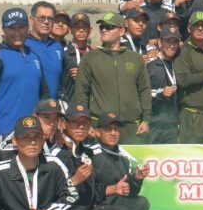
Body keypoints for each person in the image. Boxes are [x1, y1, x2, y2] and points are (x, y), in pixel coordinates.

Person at [55, 105, 127, 210]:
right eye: (75, 122)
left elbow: (93, 189)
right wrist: (74, 181)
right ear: (65, 124)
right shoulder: (57, 154)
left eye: (85, 123)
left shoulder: (87, 153)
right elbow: (49, 195)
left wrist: (115, 189)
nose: (81, 127)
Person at [75, 12, 151, 144]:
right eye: (102, 27)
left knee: (132, 164)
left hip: (132, 126)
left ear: (121, 31)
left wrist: (146, 119)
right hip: (101, 127)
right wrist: (86, 122)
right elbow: (81, 93)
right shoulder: (90, 58)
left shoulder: (135, 59)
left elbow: (144, 90)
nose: (104, 29)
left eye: (109, 27)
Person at [0, 8, 48, 140]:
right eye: (11, 28)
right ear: (3, 30)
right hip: (2, 132)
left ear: (28, 28)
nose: (17, 32)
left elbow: (44, 95)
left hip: (31, 132)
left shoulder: (35, 57)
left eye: (21, 27)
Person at [88, 113, 150, 210]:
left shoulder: (124, 157)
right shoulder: (90, 154)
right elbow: (86, 190)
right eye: (108, 129)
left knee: (141, 204)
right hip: (93, 206)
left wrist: (137, 178)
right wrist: (112, 190)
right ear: (97, 132)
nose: (113, 133)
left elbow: (130, 193)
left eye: (116, 129)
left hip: (112, 203)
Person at [174, 11, 203, 144]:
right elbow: (182, 80)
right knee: (192, 160)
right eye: (196, 25)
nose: (200, 28)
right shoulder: (183, 51)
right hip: (192, 115)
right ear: (189, 28)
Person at [147, 19, 181, 144]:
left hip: (172, 124)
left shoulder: (179, 63)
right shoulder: (150, 63)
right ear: (160, 42)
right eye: (168, 41)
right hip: (153, 124)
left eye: (175, 42)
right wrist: (161, 94)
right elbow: (140, 94)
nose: (172, 45)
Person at [21, 1, 64, 100]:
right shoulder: (22, 44)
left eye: (50, 18)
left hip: (50, 111)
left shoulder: (57, 47)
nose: (46, 22)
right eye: (41, 18)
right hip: (28, 109)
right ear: (31, 20)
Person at [59, 12, 92, 108]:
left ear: (90, 30)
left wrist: (83, 76)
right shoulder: (63, 53)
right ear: (70, 30)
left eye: (84, 27)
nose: (81, 30)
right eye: (77, 27)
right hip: (70, 105)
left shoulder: (95, 54)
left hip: (90, 106)